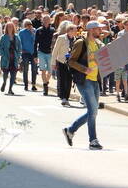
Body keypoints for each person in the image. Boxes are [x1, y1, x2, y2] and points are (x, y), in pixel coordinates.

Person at [63, 21, 106, 150]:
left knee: (93, 111)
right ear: (92, 30)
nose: (100, 31)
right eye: (98, 29)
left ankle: (70, 130)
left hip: (95, 80)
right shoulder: (81, 42)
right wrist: (84, 69)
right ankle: (93, 140)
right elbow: (71, 61)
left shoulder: (98, 44)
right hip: (84, 79)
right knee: (93, 111)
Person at [52, 21, 77, 107]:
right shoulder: (61, 38)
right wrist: (53, 63)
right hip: (61, 61)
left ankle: (66, 97)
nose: (76, 32)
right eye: (74, 30)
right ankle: (63, 97)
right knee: (62, 79)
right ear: (69, 30)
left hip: (70, 63)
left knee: (69, 80)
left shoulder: (76, 39)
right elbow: (55, 51)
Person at [0, 21, 21, 95]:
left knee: (13, 75)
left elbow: (20, 47)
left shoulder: (16, 37)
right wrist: (3, 55)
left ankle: (10, 89)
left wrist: (18, 55)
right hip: (6, 58)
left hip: (14, 58)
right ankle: (4, 82)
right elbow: (0, 48)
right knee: (5, 73)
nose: (10, 28)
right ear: (6, 28)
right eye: (8, 27)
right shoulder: (3, 37)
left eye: (11, 27)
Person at [35, 14, 55, 96]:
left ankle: (46, 81)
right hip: (41, 52)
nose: (46, 21)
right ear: (42, 21)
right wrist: (35, 55)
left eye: (47, 19)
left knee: (50, 70)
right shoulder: (38, 30)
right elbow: (35, 43)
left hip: (50, 52)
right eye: (44, 19)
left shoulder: (53, 30)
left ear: (50, 20)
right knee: (43, 70)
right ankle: (45, 86)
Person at [19, 19, 37, 91]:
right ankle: (26, 85)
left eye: (30, 24)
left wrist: (32, 33)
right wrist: (21, 50)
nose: (29, 26)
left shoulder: (34, 31)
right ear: (25, 25)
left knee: (34, 69)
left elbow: (35, 41)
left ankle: (33, 84)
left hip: (33, 53)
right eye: (27, 25)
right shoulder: (21, 32)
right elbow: (19, 42)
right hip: (25, 52)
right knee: (25, 69)